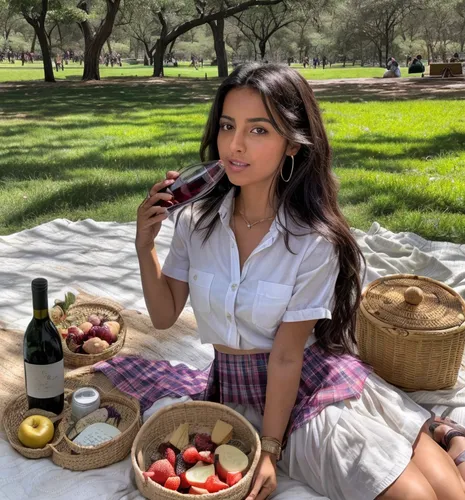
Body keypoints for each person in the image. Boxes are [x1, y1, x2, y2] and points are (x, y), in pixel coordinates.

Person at [136, 63, 465, 500]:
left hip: (304, 377)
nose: (234, 144)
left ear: (291, 144)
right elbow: (162, 316)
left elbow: (288, 357)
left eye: (258, 131)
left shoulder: (313, 239)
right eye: (227, 125)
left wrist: (269, 451)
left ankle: (444, 436)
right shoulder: (195, 221)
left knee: (452, 491)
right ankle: (445, 435)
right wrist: (145, 246)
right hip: (241, 390)